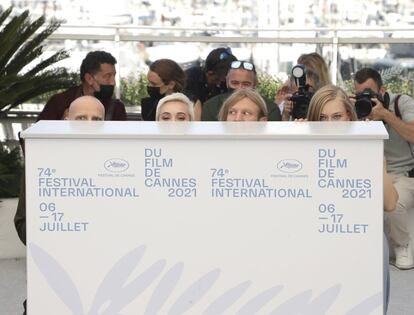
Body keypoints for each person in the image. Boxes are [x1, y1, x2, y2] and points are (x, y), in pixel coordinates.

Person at [306, 84, 397, 314]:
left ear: (349, 116)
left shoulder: (366, 148)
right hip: (315, 238)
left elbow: (389, 203)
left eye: (336, 116)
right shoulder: (305, 149)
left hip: (362, 237)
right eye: (322, 118)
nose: (330, 125)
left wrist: (371, 151)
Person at [14, 96, 106, 315]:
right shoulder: (42, 161)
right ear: (66, 118)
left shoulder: (120, 163)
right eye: (81, 118)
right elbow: (22, 223)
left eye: (96, 119)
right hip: (54, 278)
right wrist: (58, 232)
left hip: (105, 280)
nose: (89, 124)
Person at [354, 67, 414, 270]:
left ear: (383, 89)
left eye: (370, 93)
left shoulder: (401, 103)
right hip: (371, 173)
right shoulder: (359, 108)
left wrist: (386, 115)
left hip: (404, 174)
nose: (366, 98)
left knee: (394, 202)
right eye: (361, 93)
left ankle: (402, 247)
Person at [37, 50, 126, 121]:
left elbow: (124, 141)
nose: (113, 82)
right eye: (107, 76)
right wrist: (62, 124)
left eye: (114, 76)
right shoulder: (59, 103)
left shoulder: (116, 108)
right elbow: (33, 138)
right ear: (89, 79)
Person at [201, 60, 281, 121]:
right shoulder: (210, 106)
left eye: (246, 84)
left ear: (255, 84)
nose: (240, 88)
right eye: (235, 83)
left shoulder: (270, 108)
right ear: (227, 82)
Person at [184, 47, 237, 120]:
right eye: (222, 78)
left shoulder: (226, 84)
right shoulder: (191, 79)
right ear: (210, 73)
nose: (224, 82)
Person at [277, 52, 331, 121]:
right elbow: (282, 130)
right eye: (297, 75)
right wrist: (285, 116)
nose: (302, 80)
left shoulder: (330, 102)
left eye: (310, 75)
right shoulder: (287, 105)